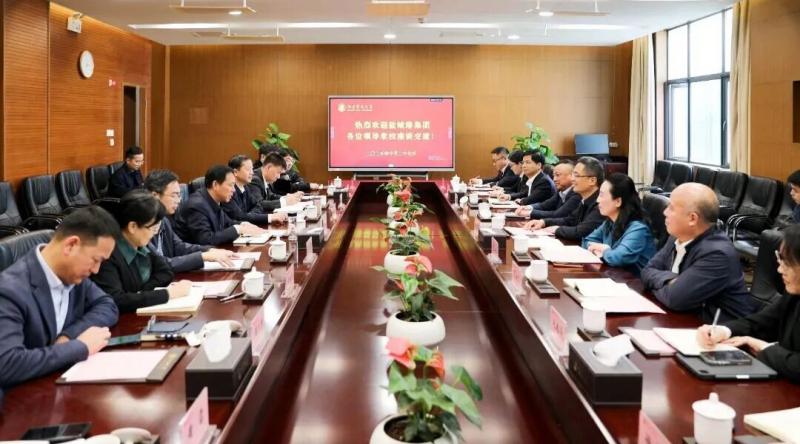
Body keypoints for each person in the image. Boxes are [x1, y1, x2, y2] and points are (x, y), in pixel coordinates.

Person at [0, 206, 120, 388]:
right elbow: (7, 364)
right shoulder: (9, 290)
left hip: (59, 382)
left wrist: (68, 336)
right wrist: (79, 347)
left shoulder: (73, 275)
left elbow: (107, 305)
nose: (96, 270)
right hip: (23, 395)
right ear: (71, 245)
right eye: (96, 260)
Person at [697, 224, 800, 383]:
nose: (780, 270)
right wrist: (724, 331)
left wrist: (763, 347)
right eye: (780, 259)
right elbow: (761, 322)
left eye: (787, 262)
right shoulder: (793, 292)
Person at [641, 183, 755, 322]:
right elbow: (646, 271)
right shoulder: (677, 237)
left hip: (718, 330)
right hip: (682, 320)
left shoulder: (717, 254)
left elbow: (675, 299)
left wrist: (666, 285)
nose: (665, 212)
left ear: (692, 218)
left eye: (671, 208)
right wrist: (672, 280)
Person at [92, 191, 191, 313]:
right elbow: (116, 300)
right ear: (132, 227)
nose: (155, 232)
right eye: (152, 227)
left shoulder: (141, 243)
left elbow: (166, 272)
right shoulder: (108, 254)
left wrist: (142, 293)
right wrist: (166, 294)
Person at [144, 169, 237, 273]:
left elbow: (179, 246)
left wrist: (210, 250)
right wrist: (202, 256)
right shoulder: (142, 224)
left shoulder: (164, 220)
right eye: (174, 195)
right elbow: (160, 265)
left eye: (179, 195)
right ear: (155, 196)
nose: (178, 200)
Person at [582, 173, 656, 275]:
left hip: (635, 283)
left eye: (602, 195)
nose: (598, 200)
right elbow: (586, 241)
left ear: (618, 201)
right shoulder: (609, 222)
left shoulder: (638, 229)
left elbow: (619, 258)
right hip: (613, 276)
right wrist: (600, 250)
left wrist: (605, 250)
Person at [174, 165, 267, 246]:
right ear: (215, 184)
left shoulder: (214, 199)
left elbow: (227, 223)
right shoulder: (196, 206)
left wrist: (243, 225)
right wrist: (238, 229)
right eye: (230, 185)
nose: (234, 190)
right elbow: (206, 240)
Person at [524, 156, 604, 241]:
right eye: (573, 175)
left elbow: (580, 232)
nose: (572, 179)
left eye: (576, 175)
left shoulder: (601, 204)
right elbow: (568, 220)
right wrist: (543, 222)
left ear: (592, 180)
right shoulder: (585, 200)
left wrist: (557, 229)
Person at [224, 155, 287, 225]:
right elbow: (239, 217)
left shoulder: (245, 187)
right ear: (235, 172)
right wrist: (269, 217)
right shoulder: (228, 192)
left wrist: (250, 216)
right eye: (248, 169)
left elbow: (258, 206)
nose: (252, 172)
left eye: (252, 169)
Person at [515, 161, 580, 219]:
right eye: (554, 176)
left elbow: (558, 214)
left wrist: (529, 212)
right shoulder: (560, 191)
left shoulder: (576, 193)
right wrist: (528, 207)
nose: (554, 179)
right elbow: (544, 205)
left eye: (558, 175)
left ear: (572, 176)